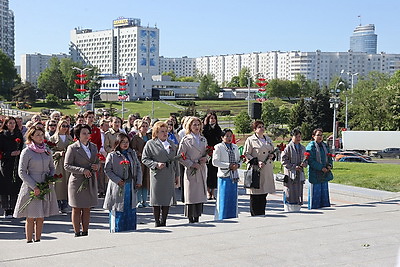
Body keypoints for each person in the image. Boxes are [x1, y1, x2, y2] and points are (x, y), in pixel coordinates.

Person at [13, 126, 59, 242]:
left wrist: (50, 179)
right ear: (31, 136)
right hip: (31, 184)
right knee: (31, 215)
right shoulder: (27, 151)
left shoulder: (47, 150)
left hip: (45, 184)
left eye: (42, 135)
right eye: (37, 135)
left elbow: (52, 168)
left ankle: (38, 239)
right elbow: (21, 171)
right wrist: (34, 186)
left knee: (41, 215)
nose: (40, 137)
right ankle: (29, 239)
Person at [142, 121, 180, 227]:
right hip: (157, 174)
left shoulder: (171, 144)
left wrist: (177, 175)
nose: (165, 133)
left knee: (167, 198)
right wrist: (155, 164)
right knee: (157, 198)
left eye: (166, 131)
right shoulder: (151, 144)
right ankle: (157, 221)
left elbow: (175, 160)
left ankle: (164, 221)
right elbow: (144, 159)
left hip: (169, 173)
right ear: (156, 132)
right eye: (162, 131)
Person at [64, 124, 100, 237]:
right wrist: (82, 170)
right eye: (84, 133)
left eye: (88, 133)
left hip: (90, 180)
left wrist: (97, 166)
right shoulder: (73, 148)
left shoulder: (93, 147)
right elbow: (67, 165)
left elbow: (98, 161)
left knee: (87, 207)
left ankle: (85, 231)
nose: (86, 135)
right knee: (76, 207)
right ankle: (76, 231)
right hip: (77, 180)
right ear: (78, 135)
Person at [103, 133, 142, 232]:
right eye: (122, 142)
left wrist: (138, 180)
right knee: (118, 209)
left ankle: (131, 230)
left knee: (130, 208)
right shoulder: (112, 155)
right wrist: (117, 180)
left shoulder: (132, 153)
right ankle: (117, 231)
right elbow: (107, 170)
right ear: (118, 143)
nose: (125, 144)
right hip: (118, 186)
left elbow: (138, 167)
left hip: (130, 185)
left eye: (127, 142)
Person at [177, 117, 208, 223]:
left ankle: (198, 216)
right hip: (191, 170)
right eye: (194, 125)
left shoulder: (203, 139)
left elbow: (207, 153)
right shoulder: (186, 139)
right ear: (189, 126)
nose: (197, 127)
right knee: (191, 194)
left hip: (201, 169)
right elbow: (180, 156)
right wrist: (191, 164)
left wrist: (206, 158)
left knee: (200, 194)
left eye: (198, 125)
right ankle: (191, 217)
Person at [243, 120, 276, 216]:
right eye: (259, 127)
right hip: (256, 170)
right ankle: (254, 214)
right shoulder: (250, 140)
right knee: (255, 194)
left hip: (266, 169)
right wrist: (257, 161)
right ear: (254, 129)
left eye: (262, 126)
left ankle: (262, 212)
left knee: (264, 193)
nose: (262, 128)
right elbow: (246, 154)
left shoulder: (268, 139)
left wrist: (272, 156)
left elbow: (272, 151)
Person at [212, 129, 240, 220]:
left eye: (230, 136)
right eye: (226, 136)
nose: (229, 138)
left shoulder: (235, 147)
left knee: (232, 197)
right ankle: (221, 216)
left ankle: (232, 215)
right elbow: (215, 162)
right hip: (224, 175)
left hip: (234, 175)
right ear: (222, 137)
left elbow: (238, 159)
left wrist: (237, 165)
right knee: (223, 198)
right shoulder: (218, 147)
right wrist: (229, 165)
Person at [0, 116, 24, 218]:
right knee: (5, 186)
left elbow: (22, 147)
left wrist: (19, 153)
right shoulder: (1, 135)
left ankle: (14, 208)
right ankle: (6, 209)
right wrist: (9, 154)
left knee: (15, 186)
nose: (12, 125)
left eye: (13, 123)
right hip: (6, 163)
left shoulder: (18, 134)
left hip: (16, 163)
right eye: (10, 123)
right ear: (6, 124)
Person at [49, 120, 73, 214]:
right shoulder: (53, 138)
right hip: (58, 162)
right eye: (63, 126)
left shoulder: (69, 137)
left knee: (67, 182)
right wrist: (58, 153)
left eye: (67, 126)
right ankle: (57, 203)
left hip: (67, 162)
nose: (65, 128)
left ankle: (65, 204)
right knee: (58, 183)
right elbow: (49, 151)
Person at [306, 128, 333, 210]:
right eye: (318, 135)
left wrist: (329, 165)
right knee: (315, 197)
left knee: (324, 195)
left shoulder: (324, 146)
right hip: (315, 175)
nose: (320, 137)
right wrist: (321, 168)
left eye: (321, 135)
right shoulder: (311, 147)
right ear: (313, 136)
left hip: (324, 175)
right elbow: (311, 161)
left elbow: (329, 157)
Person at [281, 129, 307, 212]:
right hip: (290, 174)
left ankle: (297, 207)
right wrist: (293, 167)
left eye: (299, 136)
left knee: (299, 191)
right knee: (289, 191)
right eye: (296, 136)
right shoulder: (288, 148)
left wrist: (304, 164)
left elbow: (306, 159)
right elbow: (283, 160)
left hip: (299, 174)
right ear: (292, 137)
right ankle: (288, 208)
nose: (298, 138)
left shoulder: (302, 148)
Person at [130, 120, 151, 208]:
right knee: (139, 180)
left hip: (149, 161)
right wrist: (139, 153)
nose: (145, 128)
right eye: (143, 126)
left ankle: (145, 200)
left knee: (146, 181)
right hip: (139, 161)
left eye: (146, 126)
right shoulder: (135, 138)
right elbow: (132, 149)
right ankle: (138, 200)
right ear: (139, 128)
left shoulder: (150, 137)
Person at [202, 112, 222, 200]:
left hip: (215, 152)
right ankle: (207, 191)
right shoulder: (205, 129)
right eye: (211, 118)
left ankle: (213, 192)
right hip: (207, 152)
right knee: (207, 172)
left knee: (214, 172)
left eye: (214, 118)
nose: (212, 120)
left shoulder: (218, 129)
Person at [98, 119, 110, 198]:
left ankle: (107, 189)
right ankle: (101, 190)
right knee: (100, 173)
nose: (108, 126)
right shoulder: (99, 133)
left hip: (108, 153)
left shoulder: (109, 134)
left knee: (107, 173)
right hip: (100, 153)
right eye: (106, 125)